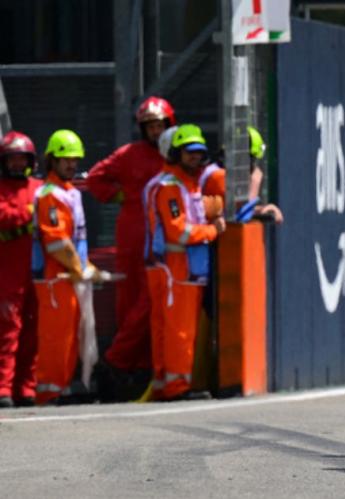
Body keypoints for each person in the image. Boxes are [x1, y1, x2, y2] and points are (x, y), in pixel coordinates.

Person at [86, 96, 175, 400]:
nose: (154, 131)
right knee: (131, 305)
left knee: (152, 303)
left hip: (162, 236)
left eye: (159, 125)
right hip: (134, 237)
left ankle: (123, 362)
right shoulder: (128, 155)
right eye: (149, 126)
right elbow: (96, 178)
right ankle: (130, 368)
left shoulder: (175, 155)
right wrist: (119, 196)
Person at [144, 124, 225, 401]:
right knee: (179, 331)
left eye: (199, 153)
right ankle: (176, 387)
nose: (195, 158)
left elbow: (200, 211)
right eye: (189, 153)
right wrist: (214, 231)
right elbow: (179, 230)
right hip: (175, 270)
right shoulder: (170, 188)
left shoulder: (187, 186)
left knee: (179, 330)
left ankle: (169, 384)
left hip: (187, 270)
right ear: (176, 154)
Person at [33, 130, 103, 404]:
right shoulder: (50, 195)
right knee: (56, 338)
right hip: (55, 278)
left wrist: (86, 266)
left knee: (71, 335)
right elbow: (56, 241)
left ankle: (58, 388)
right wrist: (80, 267)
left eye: (75, 160)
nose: (71, 165)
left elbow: (76, 240)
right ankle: (48, 391)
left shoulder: (70, 193)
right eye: (65, 160)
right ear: (52, 161)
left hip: (70, 276)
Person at [0, 131, 41, 408]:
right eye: (12, 159)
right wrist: (29, 212)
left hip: (37, 269)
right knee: (8, 329)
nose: (17, 164)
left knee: (34, 329)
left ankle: (26, 387)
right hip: (8, 270)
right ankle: (4, 388)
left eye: (21, 159)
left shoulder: (38, 187)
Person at [200, 126, 283, 224]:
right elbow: (241, 216)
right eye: (252, 161)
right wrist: (254, 183)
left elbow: (233, 209)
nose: (252, 168)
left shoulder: (216, 170)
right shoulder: (218, 176)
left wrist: (265, 209)